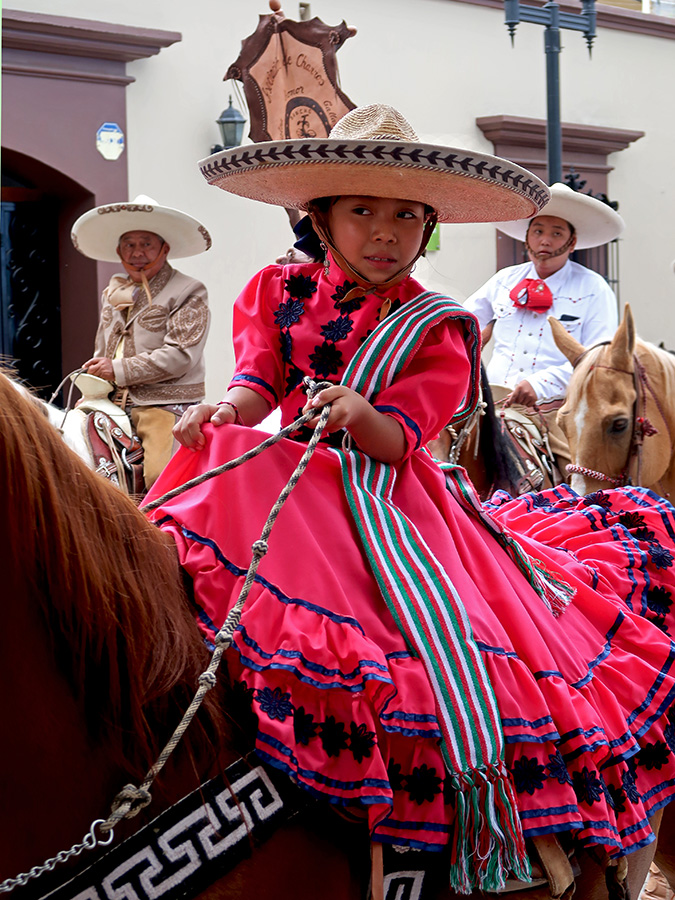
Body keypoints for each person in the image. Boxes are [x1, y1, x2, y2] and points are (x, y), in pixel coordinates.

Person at [144, 107, 675, 893]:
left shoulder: (439, 325)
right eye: (362, 210)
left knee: (441, 650)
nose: (384, 232)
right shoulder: (276, 290)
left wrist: (361, 415)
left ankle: (474, 831)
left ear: (426, 229)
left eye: (404, 216)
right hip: (291, 473)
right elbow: (258, 381)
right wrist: (226, 410)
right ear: (319, 217)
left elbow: (403, 436)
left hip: (389, 497)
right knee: (193, 519)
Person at [463, 182, 624, 480]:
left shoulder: (594, 288)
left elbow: (598, 359)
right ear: (527, 237)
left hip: (557, 409)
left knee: (580, 478)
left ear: (572, 243)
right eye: (538, 231)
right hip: (491, 401)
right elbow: (462, 323)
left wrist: (541, 384)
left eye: (556, 233)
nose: (545, 240)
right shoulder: (503, 280)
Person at [70, 195, 212, 489]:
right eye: (129, 244)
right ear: (119, 251)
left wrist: (117, 369)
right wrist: (92, 387)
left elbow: (180, 356)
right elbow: (102, 348)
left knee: (161, 479)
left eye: (146, 243)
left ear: (164, 248)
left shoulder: (188, 290)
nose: (137, 252)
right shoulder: (112, 293)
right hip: (110, 401)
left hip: (162, 403)